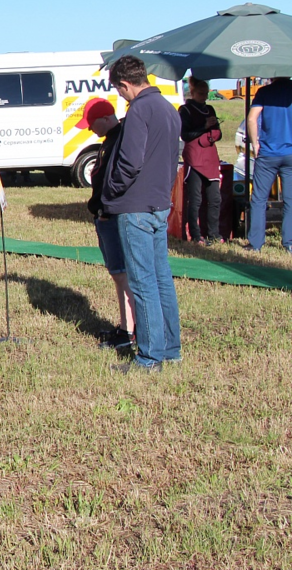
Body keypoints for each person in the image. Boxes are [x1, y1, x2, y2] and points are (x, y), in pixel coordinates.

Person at [101, 56, 182, 372]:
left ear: (124, 84)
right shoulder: (168, 108)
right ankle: (170, 349)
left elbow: (130, 163)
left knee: (143, 281)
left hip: (135, 207)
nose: (120, 96)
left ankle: (149, 358)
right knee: (162, 278)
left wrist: (110, 193)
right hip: (159, 205)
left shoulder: (138, 111)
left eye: (119, 91)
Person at [81, 97, 136, 350]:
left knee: (123, 275)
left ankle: (131, 331)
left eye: (92, 123)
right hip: (105, 215)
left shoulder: (119, 141)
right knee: (118, 275)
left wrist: (105, 209)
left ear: (106, 118)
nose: (90, 129)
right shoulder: (109, 141)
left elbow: (115, 180)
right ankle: (126, 328)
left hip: (112, 216)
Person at [246, 77, 292, 252]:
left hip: (268, 153)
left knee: (258, 199)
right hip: (290, 153)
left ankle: (256, 243)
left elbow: (252, 119)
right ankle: (289, 242)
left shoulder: (264, 92)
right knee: (290, 200)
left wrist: (255, 143)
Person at [178, 78, 223, 244]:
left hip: (210, 157)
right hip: (195, 158)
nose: (204, 97)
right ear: (193, 92)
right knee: (196, 199)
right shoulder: (185, 110)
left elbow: (218, 132)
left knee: (215, 198)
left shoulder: (209, 109)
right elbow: (185, 135)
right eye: (201, 93)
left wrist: (212, 131)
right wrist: (204, 127)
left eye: (206, 93)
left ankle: (214, 233)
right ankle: (196, 235)